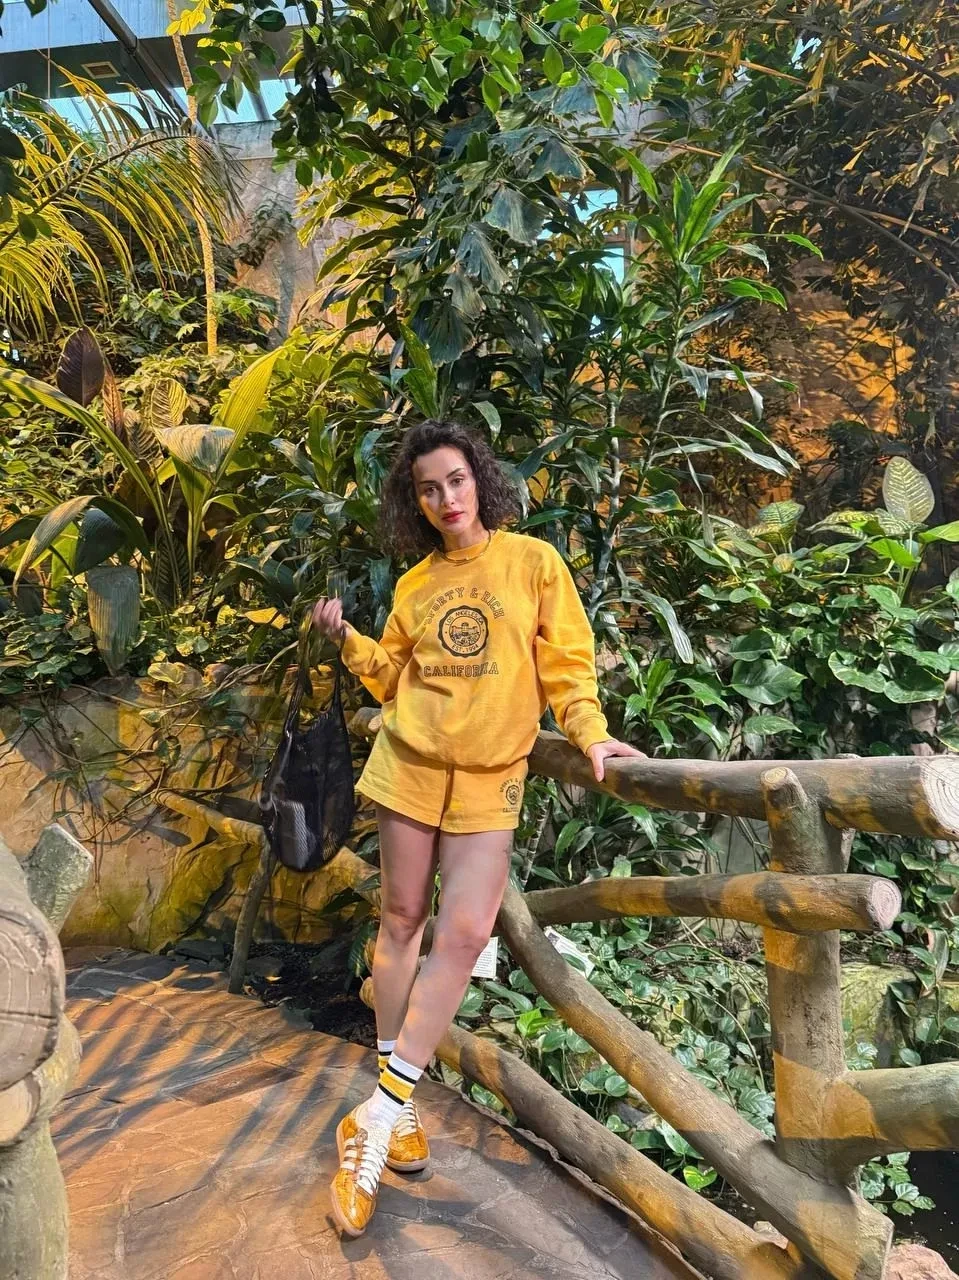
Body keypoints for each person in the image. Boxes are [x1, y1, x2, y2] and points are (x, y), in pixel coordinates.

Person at [311, 419, 644, 1238]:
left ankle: (376, 1114)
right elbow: (394, 679)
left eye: (455, 480)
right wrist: (348, 640)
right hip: (409, 766)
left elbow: (567, 663)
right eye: (428, 489)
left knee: (462, 933)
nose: (445, 498)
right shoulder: (416, 583)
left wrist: (589, 731)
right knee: (400, 922)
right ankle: (399, 1109)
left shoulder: (532, 562)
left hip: (491, 777)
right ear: (415, 501)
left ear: (479, 480)